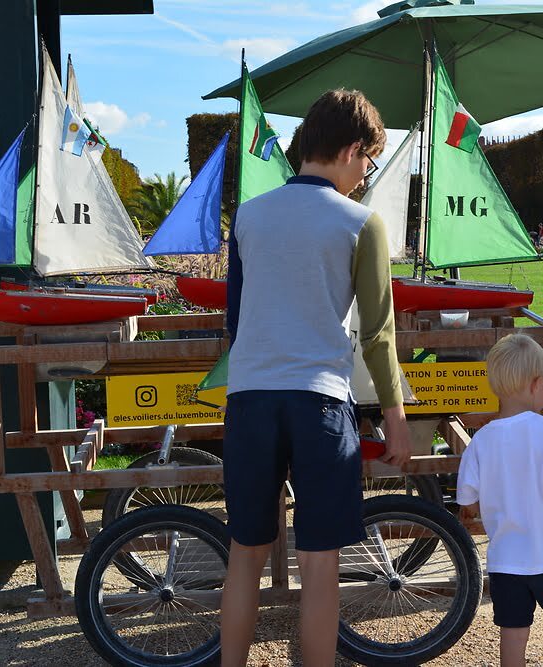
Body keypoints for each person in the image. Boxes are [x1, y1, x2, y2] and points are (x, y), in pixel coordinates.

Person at [220, 89, 413, 666]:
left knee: (245, 554)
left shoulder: (250, 216)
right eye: (368, 161)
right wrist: (396, 418)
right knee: (320, 560)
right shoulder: (361, 222)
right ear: (353, 148)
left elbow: (234, 321)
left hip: (250, 398)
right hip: (320, 403)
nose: (365, 174)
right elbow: (379, 334)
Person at [456, 333, 543, 667]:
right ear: (535, 384)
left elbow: (467, 500)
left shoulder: (480, 442)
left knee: (513, 636)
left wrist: (473, 513)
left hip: (506, 562)